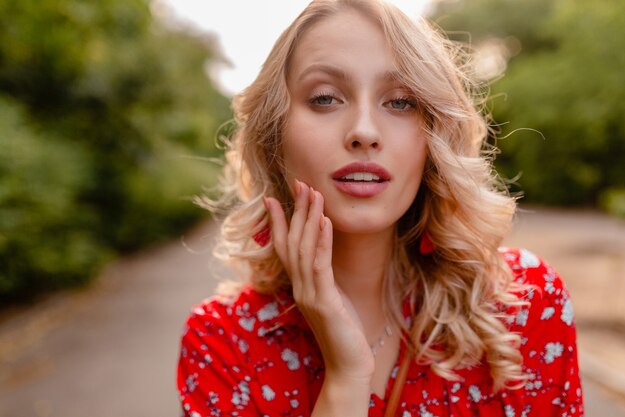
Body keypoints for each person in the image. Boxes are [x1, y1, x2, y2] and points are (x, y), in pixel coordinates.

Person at [177, 1, 583, 416]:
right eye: (325, 98)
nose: (364, 132)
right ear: (274, 138)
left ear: (433, 138)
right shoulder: (223, 344)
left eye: (401, 102)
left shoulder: (524, 306)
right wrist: (346, 377)